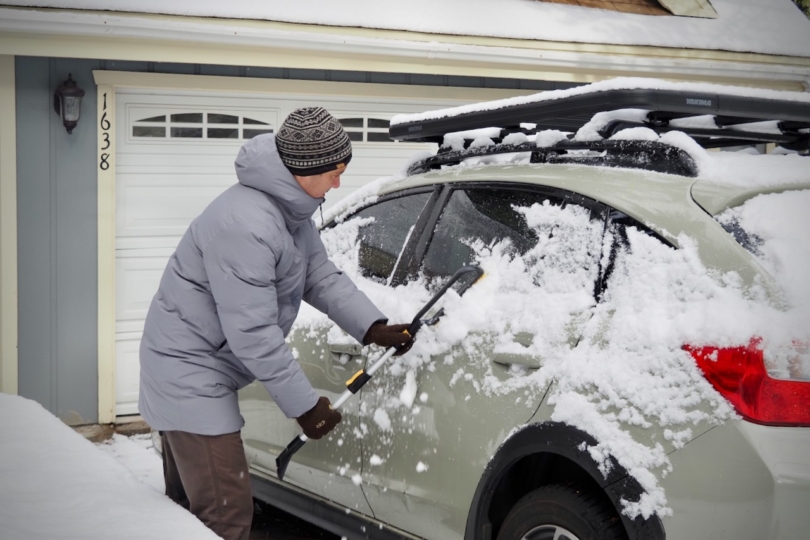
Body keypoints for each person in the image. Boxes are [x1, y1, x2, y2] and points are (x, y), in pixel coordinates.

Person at [138, 107, 412, 540]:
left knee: (188, 514)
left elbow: (318, 275)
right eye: (334, 172)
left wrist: (371, 326)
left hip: (196, 364)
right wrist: (305, 407)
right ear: (304, 169)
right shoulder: (247, 225)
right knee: (224, 517)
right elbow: (253, 333)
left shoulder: (288, 211)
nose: (339, 182)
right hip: (189, 372)